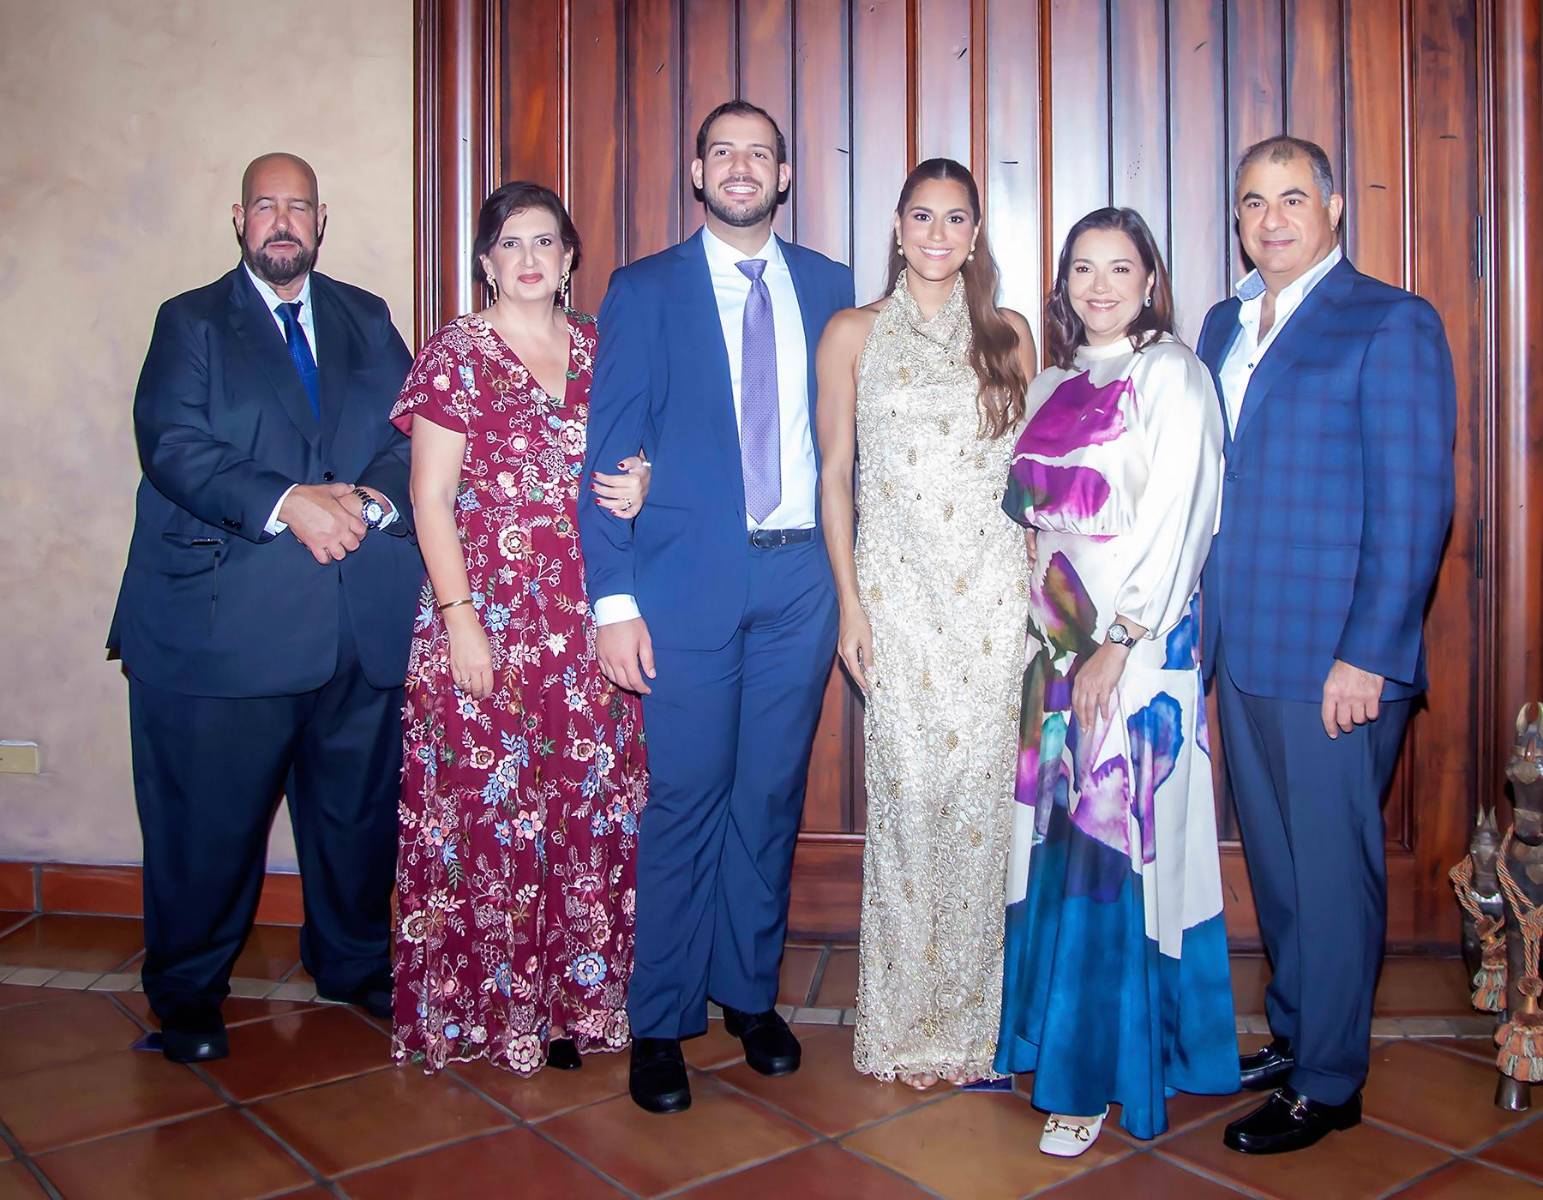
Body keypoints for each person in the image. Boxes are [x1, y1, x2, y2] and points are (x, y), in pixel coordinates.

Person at [108, 153, 420, 1062]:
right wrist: (291, 503)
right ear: (238, 219)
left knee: (356, 818)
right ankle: (189, 992)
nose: (283, 222)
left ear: (322, 223)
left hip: (357, 625)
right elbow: (172, 443)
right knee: (205, 826)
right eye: (265, 206)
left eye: (300, 208)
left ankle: (354, 963)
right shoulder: (192, 321)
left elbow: (415, 433)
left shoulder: (368, 317)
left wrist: (365, 502)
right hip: (223, 634)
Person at [579, 100, 855, 1114]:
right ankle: (660, 1020)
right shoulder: (643, 289)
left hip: (800, 582)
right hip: (687, 577)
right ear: (697, 171)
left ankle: (748, 995)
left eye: (761, 154)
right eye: (723, 152)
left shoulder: (830, 288)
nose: (742, 168)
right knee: (687, 798)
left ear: (784, 177)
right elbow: (612, 452)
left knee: (770, 797)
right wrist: (613, 600)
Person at [1198, 136, 1455, 1155]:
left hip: (1335, 662)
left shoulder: (1388, 321)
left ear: (1334, 208)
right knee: (1279, 867)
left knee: (1333, 874)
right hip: (1242, 643)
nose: (1271, 219)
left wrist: (1370, 653)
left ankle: (1332, 1082)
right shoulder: (1223, 323)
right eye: (1253, 201)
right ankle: (1299, 1034)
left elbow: (1414, 505)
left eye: (1292, 198)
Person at [389, 182, 650, 1076]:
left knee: (586, 812)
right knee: (494, 818)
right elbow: (429, 499)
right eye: (511, 243)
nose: (530, 258)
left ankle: (578, 1004)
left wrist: (643, 479)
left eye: (547, 241)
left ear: (571, 258)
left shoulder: (601, 350)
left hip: (588, 626)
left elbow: (642, 453)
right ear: (486, 260)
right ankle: (494, 1011)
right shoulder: (454, 354)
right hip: (487, 618)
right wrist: (462, 623)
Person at [994, 207, 1237, 1153]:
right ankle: (1048, 1040)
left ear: (1149, 279)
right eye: (1082, 270)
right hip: (1052, 653)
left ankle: (1090, 1078)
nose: (1099, 286)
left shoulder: (1171, 374)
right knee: (1055, 854)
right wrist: (1049, 638)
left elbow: (1183, 518)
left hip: (1130, 657)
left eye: (1119, 268)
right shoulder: (1052, 380)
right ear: (1062, 285)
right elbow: (1034, 524)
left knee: (1109, 854)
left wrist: (1119, 641)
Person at [816, 158, 1035, 1089]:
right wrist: (848, 606)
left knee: (982, 817)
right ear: (897, 228)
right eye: (920, 217)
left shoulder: (1011, 335)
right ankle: (904, 1028)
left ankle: (971, 1028)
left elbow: (1034, 482)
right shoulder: (852, 333)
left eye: (954, 220)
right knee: (908, 808)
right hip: (896, 603)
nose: (937, 235)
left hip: (992, 606)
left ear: (974, 234)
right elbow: (833, 477)